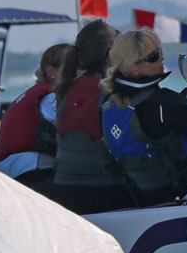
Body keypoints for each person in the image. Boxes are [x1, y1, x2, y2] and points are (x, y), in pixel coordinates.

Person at [101, 29, 187, 207]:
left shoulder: (109, 103)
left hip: (146, 195)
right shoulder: (164, 101)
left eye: (160, 51)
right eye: (154, 56)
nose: (162, 58)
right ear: (132, 68)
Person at [49, 19, 133, 215]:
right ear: (111, 54)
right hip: (100, 192)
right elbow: (127, 148)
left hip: (61, 189)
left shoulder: (65, 89)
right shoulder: (111, 93)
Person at [0, 41, 71, 191]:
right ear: (51, 72)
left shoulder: (36, 93)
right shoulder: (49, 98)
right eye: (70, 68)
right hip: (28, 171)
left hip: (10, 168)